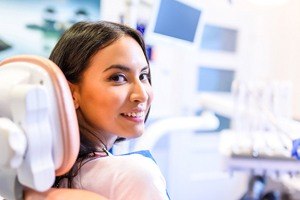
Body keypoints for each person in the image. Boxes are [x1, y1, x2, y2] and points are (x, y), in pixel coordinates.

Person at [49, 21, 169, 199]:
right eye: (118, 77)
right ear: (71, 93)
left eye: (143, 76)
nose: (142, 94)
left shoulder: (44, 177)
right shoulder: (134, 175)